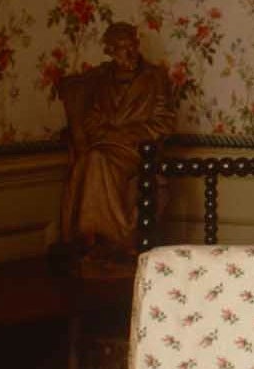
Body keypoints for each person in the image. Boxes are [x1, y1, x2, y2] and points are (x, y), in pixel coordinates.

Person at [53, 23, 179, 273]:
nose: (129, 53)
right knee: (93, 159)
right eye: (121, 48)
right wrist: (106, 133)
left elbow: (165, 122)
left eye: (132, 45)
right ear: (110, 51)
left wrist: (129, 134)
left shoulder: (155, 77)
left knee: (95, 160)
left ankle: (111, 238)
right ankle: (102, 238)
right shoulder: (101, 80)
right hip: (106, 145)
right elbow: (92, 119)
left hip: (137, 150)